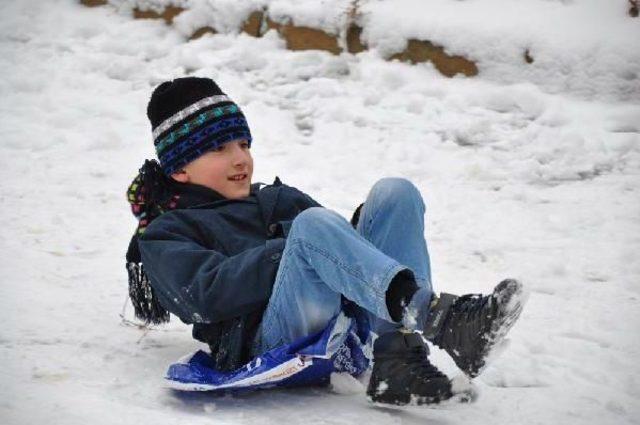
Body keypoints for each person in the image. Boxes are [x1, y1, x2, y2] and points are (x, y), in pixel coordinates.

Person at [125, 77, 525, 406]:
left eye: (244, 144)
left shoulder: (277, 199)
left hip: (343, 323)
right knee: (313, 227)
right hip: (269, 340)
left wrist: (355, 233)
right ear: (178, 169)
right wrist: (290, 252)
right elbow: (203, 295)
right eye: (219, 148)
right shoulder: (167, 232)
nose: (240, 159)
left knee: (394, 193)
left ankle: (398, 358)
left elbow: (343, 253)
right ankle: (440, 318)